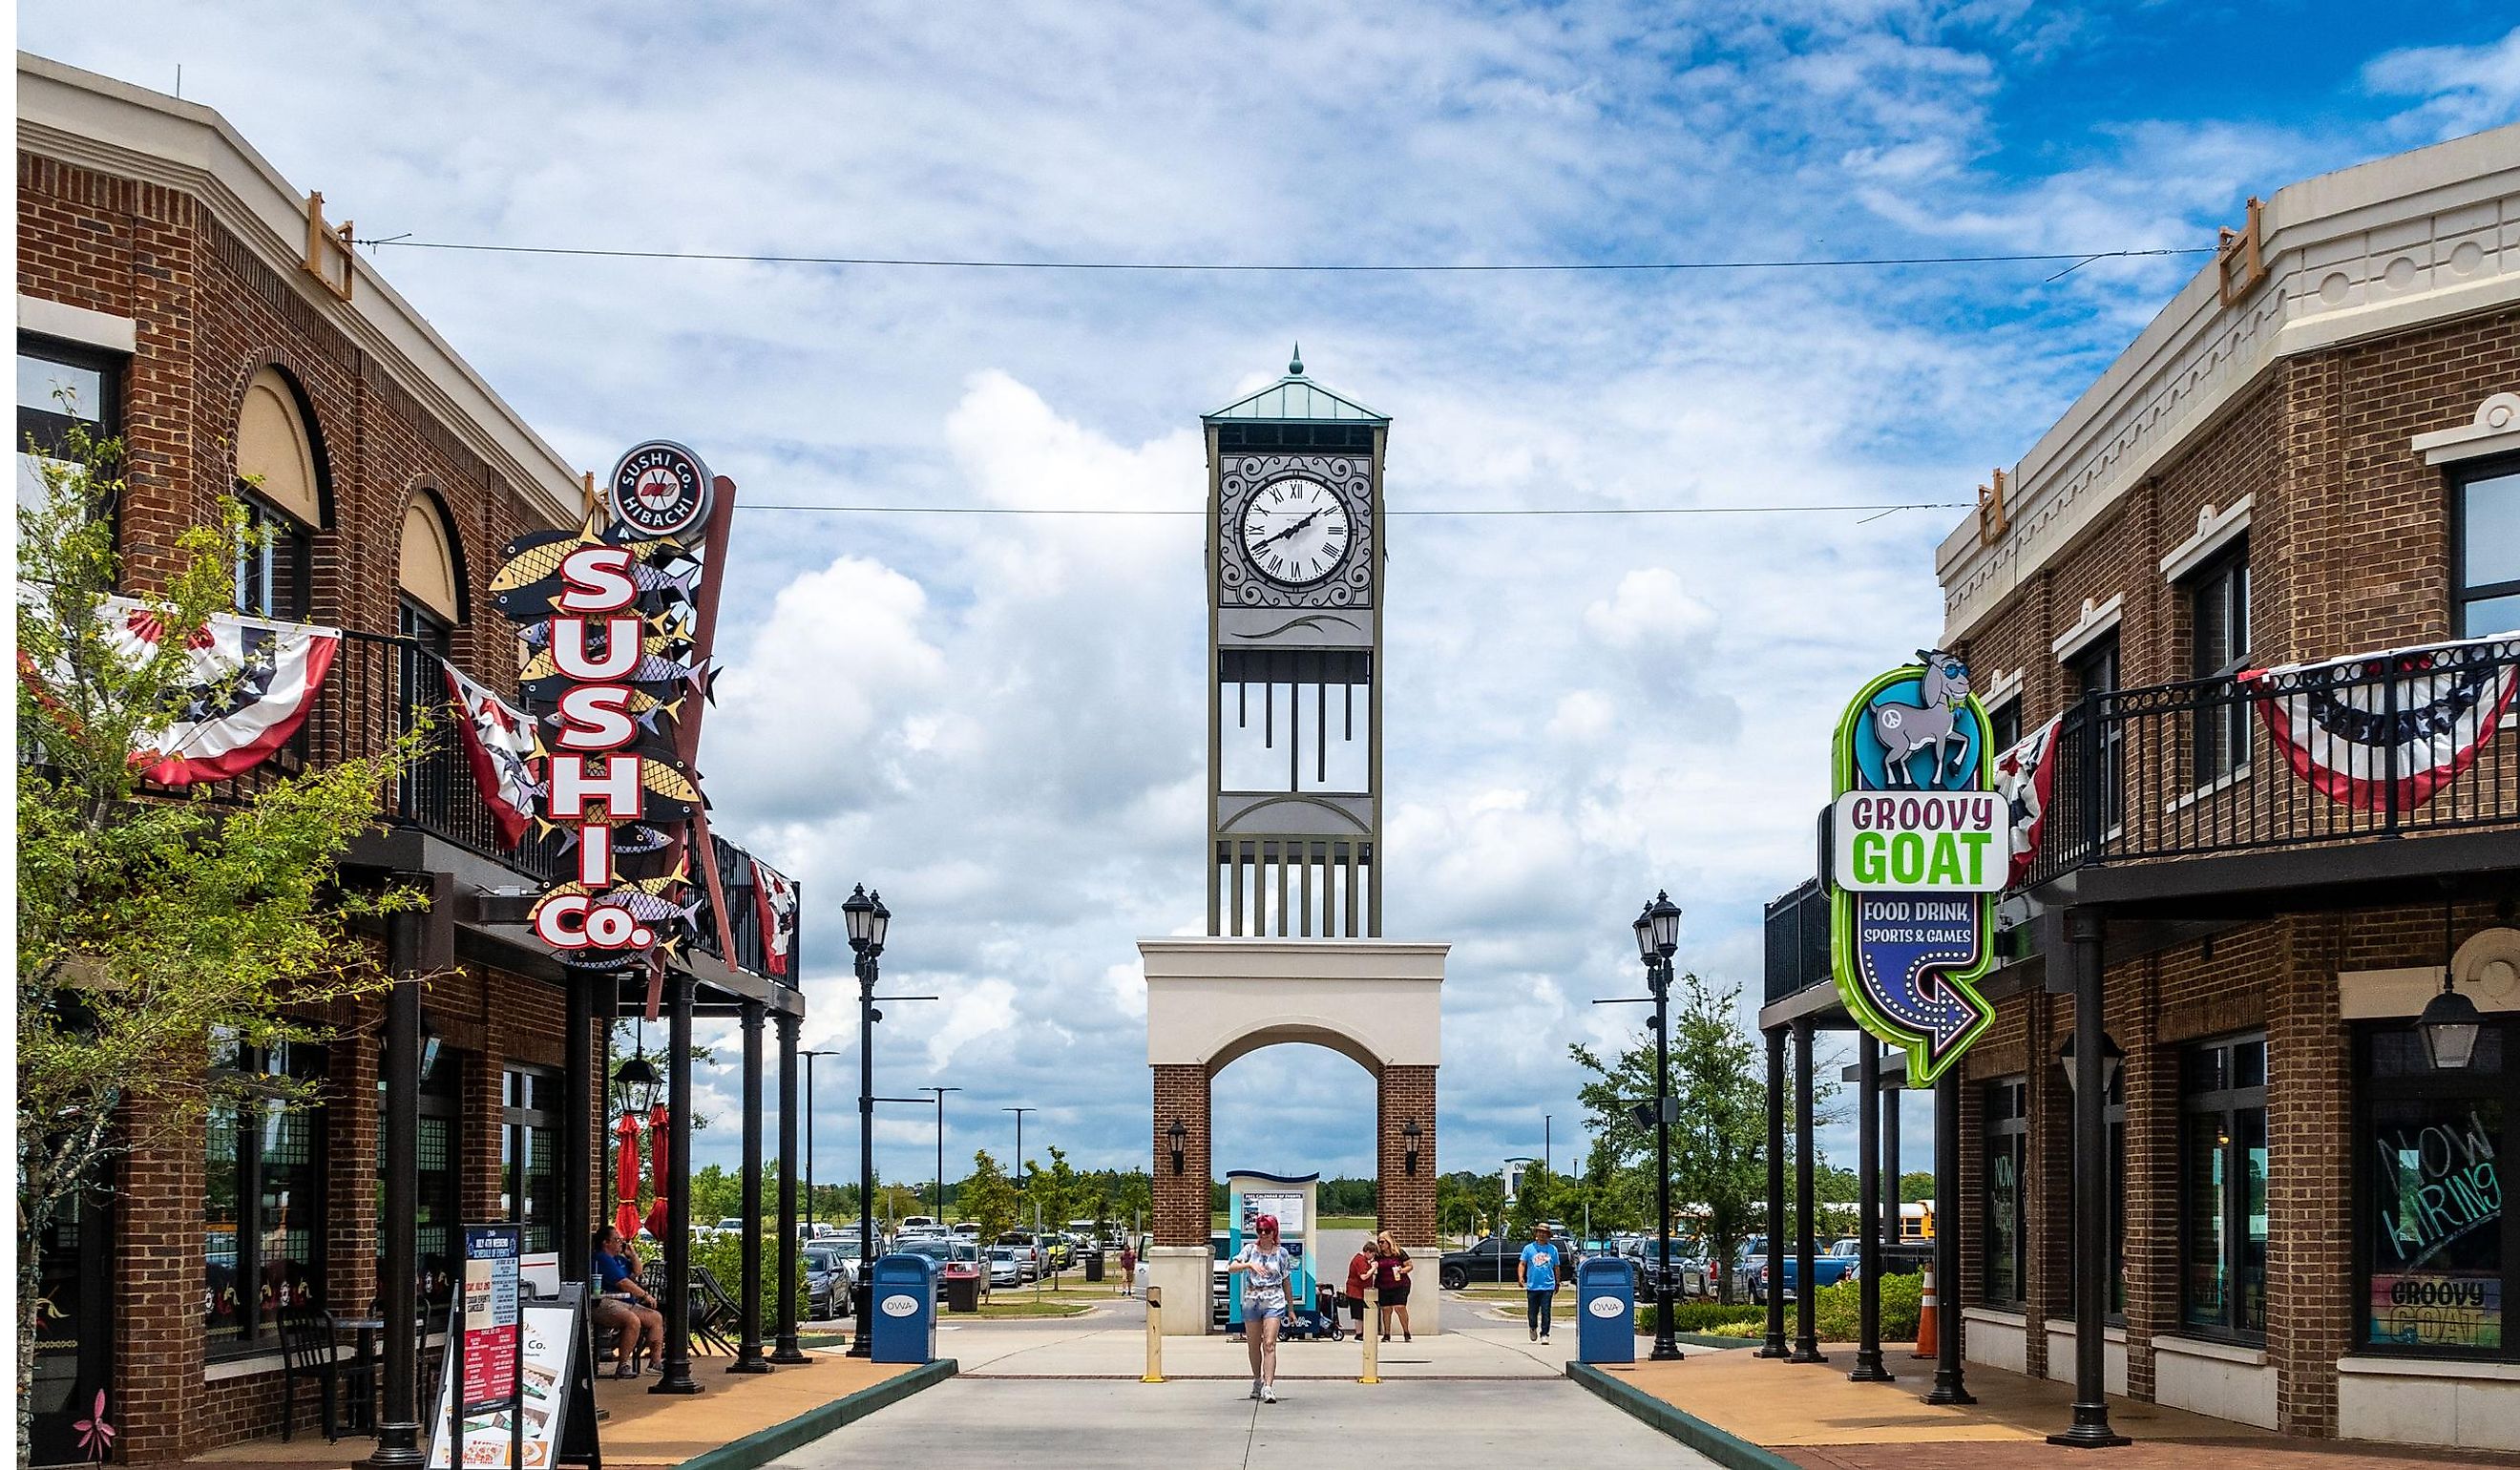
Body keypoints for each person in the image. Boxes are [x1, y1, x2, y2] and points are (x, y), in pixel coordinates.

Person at [1227, 1214, 1293, 1402]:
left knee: (1270, 1343)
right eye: (1260, 1230)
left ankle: (1269, 1385)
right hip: (1252, 1299)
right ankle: (1257, 1379)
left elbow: (1286, 1281)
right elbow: (1231, 1267)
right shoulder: (1250, 1249)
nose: (1263, 1234)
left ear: (1274, 1232)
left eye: (1267, 1231)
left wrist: (1291, 1307)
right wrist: (1248, 1265)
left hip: (1274, 1299)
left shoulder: (1282, 1253)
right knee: (1253, 1344)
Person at [591, 1226, 664, 1377]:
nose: (620, 1244)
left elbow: (636, 1273)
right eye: (617, 1240)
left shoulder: (619, 1259)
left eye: (621, 1240)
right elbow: (623, 1282)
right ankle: (623, 1365)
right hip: (604, 1301)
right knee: (632, 1321)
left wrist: (633, 1255)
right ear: (606, 1242)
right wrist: (645, 1295)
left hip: (625, 1302)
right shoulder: (602, 1258)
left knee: (655, 1317)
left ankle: (655, 1363)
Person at [1520, 1222, 1563, 1344]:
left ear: (1548, 1235)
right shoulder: (1529, 1248)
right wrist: (1520, 1277)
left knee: (1546, 1311)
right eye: (1540, 1232)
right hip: (1533, 1285)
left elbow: (1556, 1267)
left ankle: (1545, 1334)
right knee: (1532, 1312)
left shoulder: (1552, 1249)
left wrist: (1557, 1282)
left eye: (1544, 1233)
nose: (1542, 1235)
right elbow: (1522, 1263)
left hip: (1547, 1285)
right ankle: (1532, 1327)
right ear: (1536, 1234)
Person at [1374, 1231, 1414, 1343]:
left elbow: (1410, 1266)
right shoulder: (1378, 1255)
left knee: (1399, 1307)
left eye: (1382, 1242)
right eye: (1379, 1242)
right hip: (1383, 1285)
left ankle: (1406, 1332)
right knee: (1386, 1310)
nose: (1380, 1244)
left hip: (1400, 1284)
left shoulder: (1399, 1253)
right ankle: (1387, 1334)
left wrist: (1402, 1270)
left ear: (1388, 1242)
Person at [1343, 1236, 1377, 1341]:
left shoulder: (1362, 1260)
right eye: (1372, 1254)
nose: (1372, 1257)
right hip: (1356, 1291)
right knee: (1358, 1314)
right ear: (1367, 1251)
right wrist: (1373, 1268)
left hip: (1361, 1291)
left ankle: (1362, 1332)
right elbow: (1363, 1276)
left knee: (1362, 1313)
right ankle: (1359, 1333)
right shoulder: (1360, 1260)